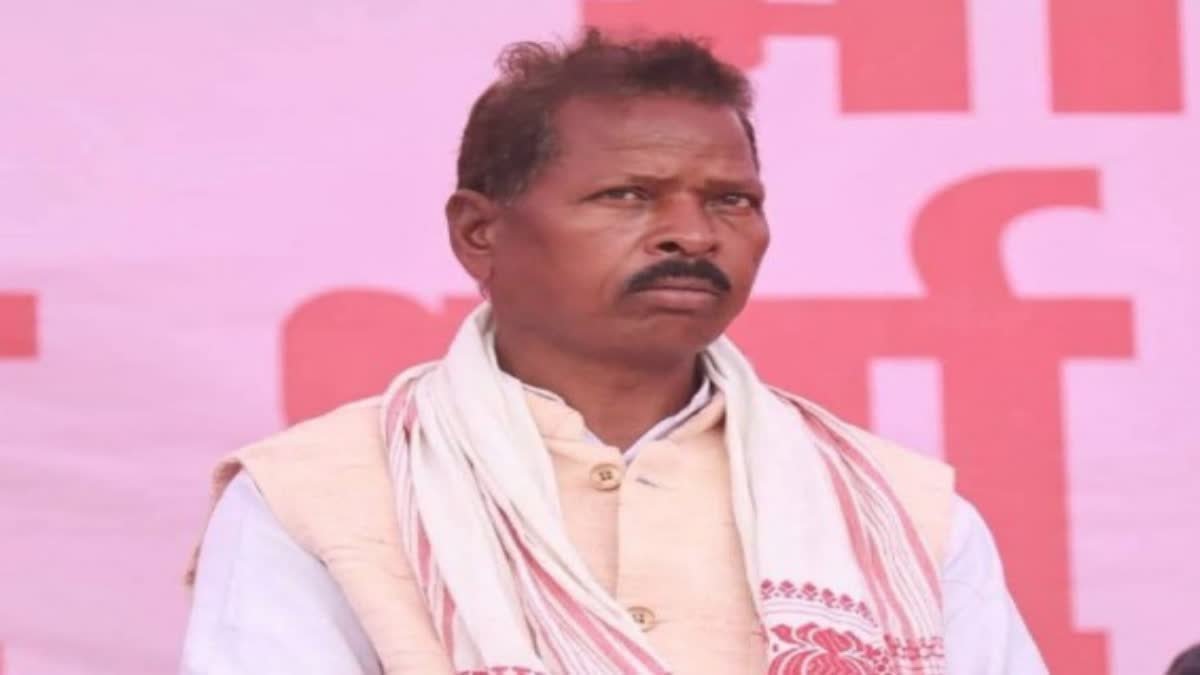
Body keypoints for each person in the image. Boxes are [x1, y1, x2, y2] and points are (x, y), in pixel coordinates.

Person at [181, 29, 1046, 675]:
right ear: (479, 232)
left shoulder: (899, 511)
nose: (691, 234)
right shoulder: (317, 497)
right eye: (629, 195)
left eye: (732, 200)